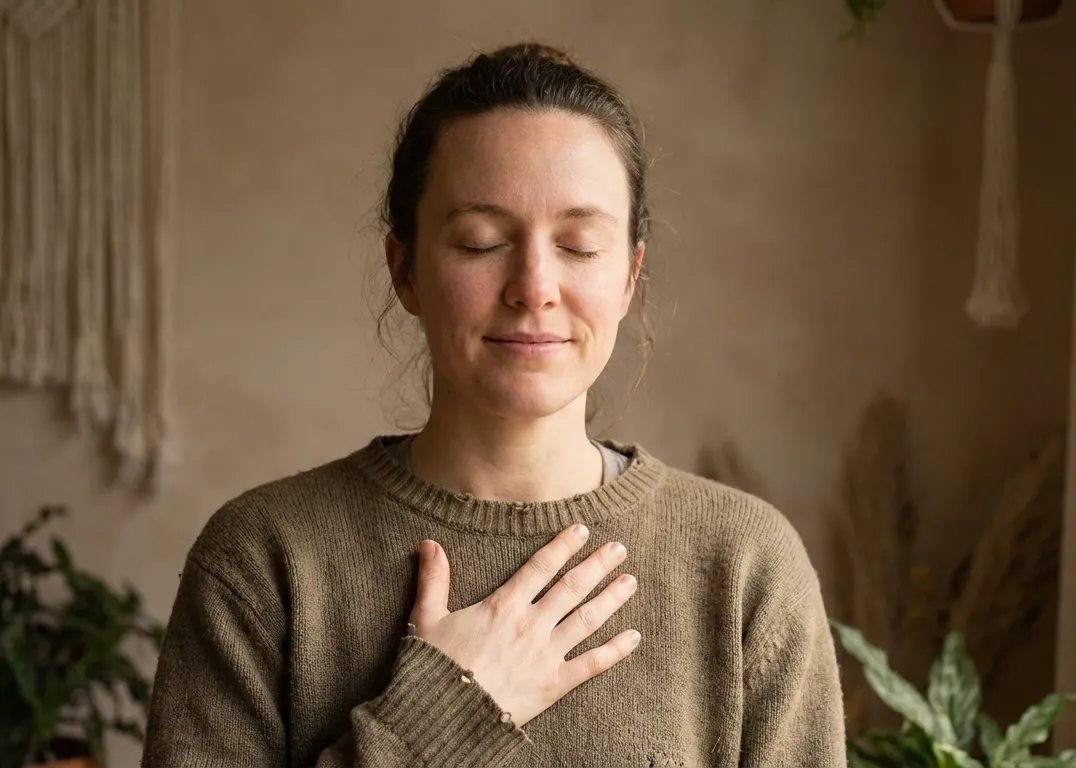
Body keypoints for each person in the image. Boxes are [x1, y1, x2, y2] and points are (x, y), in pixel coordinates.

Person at [141, 43, 846, 766]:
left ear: (629, 277)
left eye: (578, 245)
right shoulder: (265, 559)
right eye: (481, 242)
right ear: (405, 269)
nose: (533, 286)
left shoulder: (744, 567)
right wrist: (444, 711)